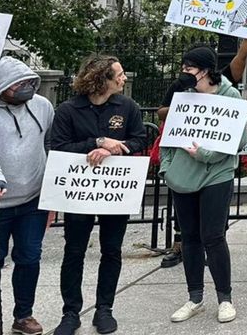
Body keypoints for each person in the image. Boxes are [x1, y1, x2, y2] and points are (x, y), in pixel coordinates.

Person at [48, 55, 148, 335]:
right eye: (119, 74)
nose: (124, 78)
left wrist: (115, 148)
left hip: (113, 191)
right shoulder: (69, 110)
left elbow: (140, 139)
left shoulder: (127, 107)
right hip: (79, 192)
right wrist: (96, 143)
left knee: (111, 250)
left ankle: (105, 308)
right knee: (74, 251)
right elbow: (59, 146)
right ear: (102, 79)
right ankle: (70, 312)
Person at [0, 57, 55, 335]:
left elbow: (50, 144)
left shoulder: (43, 106)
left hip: (33, 200)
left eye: (28, 82)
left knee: (30, 257)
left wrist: (52, 193)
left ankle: (23, 315)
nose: (25, 88)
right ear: (1, 86)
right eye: (18, 84)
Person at [161, 46, 247, 324]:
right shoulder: (182, 95)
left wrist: (205, 155)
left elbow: (239, 139)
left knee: (213, 236)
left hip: (216, 174)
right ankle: (195, 297)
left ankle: (225, 299)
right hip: (182, 175)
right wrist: (166, 167)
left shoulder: (230, 95)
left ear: (206, 70)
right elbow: (169, 135)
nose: (184, 73)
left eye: (189, 68)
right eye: (183, 68)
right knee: (189, 237)